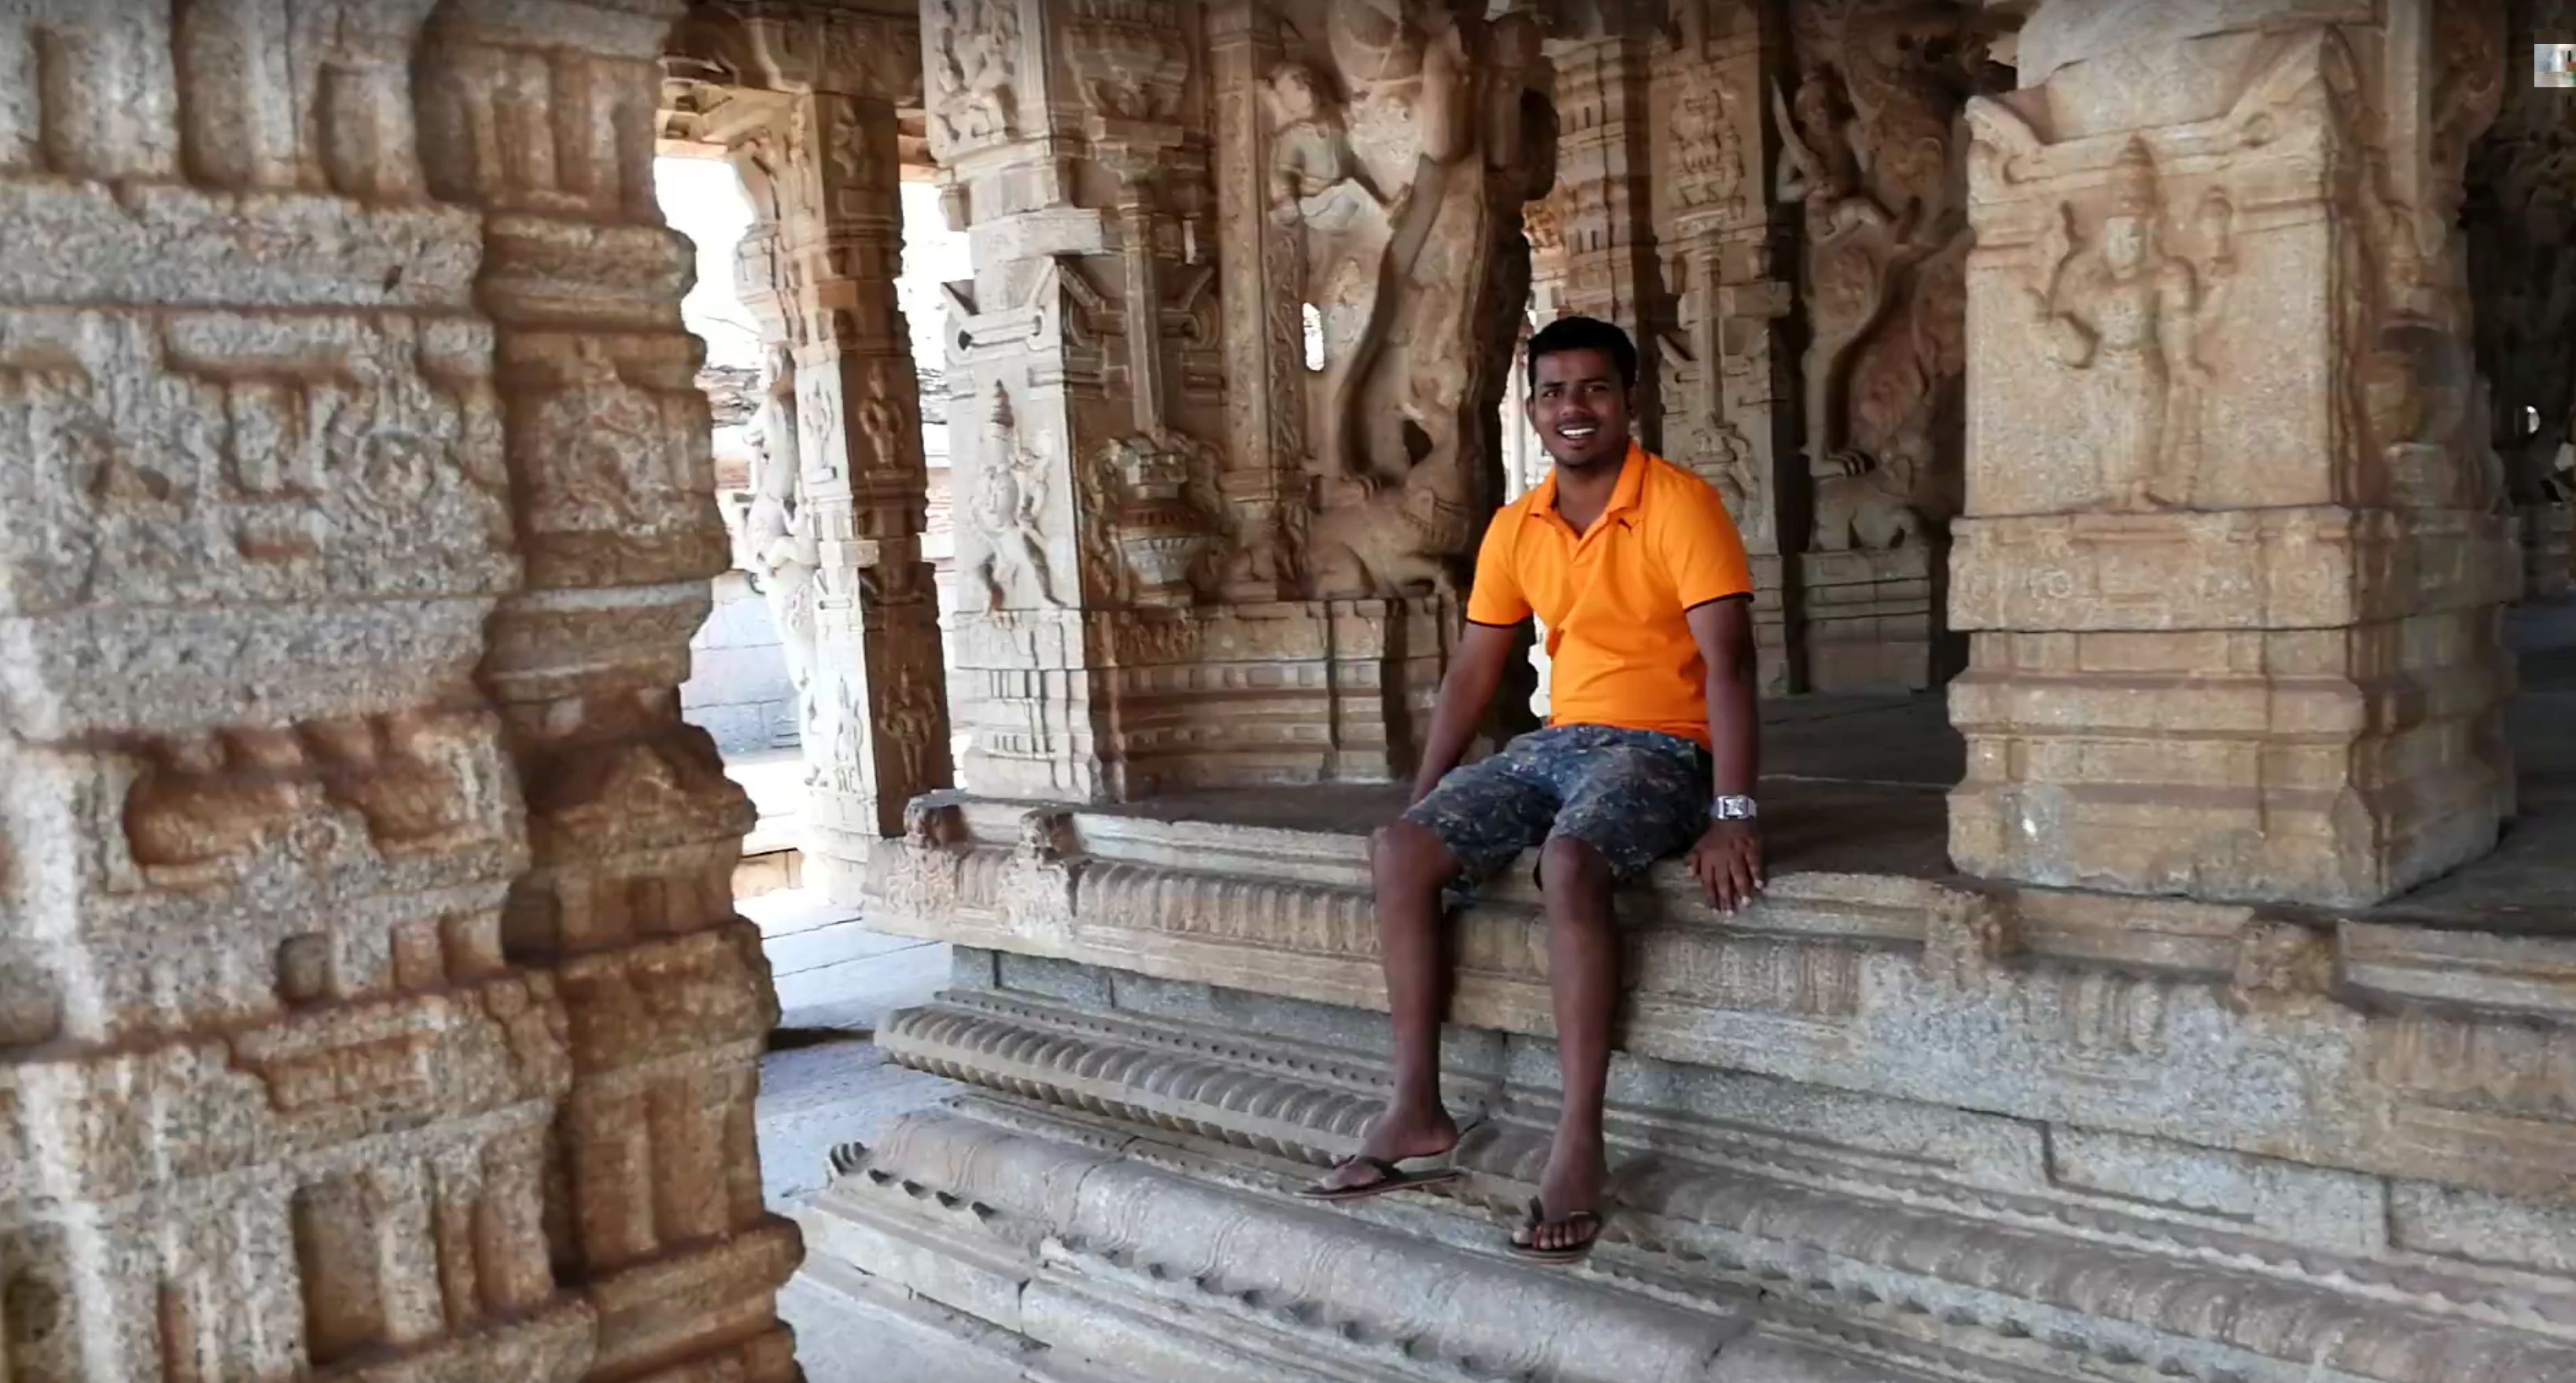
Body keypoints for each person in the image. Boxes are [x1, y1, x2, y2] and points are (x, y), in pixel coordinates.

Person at [1301, 315, 1765, 1264]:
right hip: (1558, 742)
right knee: (1401, 852)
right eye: (1553, 392)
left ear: (1629, 400)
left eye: (1593, 389)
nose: (1572, 409)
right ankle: (1417, 1111)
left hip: (1663, 748)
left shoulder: (1681, 506)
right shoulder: (1520, 525)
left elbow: (1732, 666)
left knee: (1571, 861)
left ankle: (1578, 1144)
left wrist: (1733, 810)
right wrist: (1425, 798)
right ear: (1532, 407)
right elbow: (1475, 672)